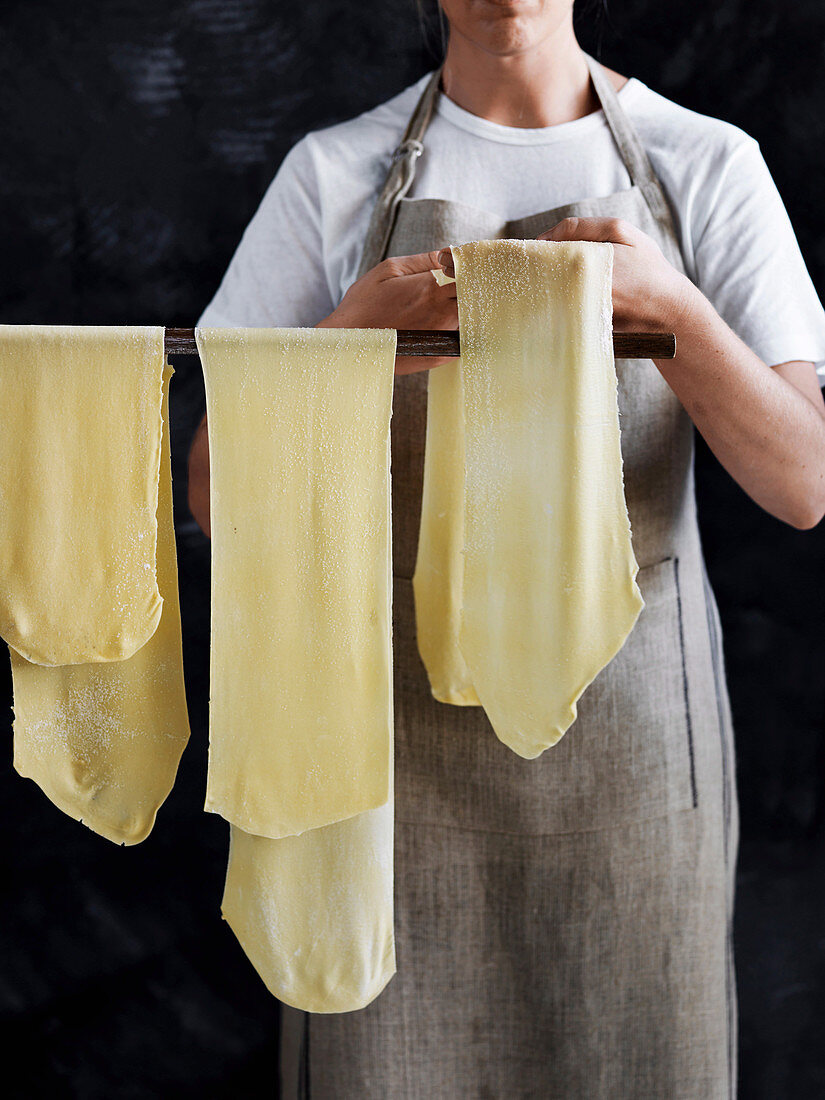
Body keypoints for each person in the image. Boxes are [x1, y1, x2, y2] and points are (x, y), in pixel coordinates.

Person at [188, 2, 825, 1096]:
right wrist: (348, 345)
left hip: (634, 757)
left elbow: (804, 482)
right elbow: (210, 494)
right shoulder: (334, 174)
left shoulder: (704, 164)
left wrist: (672, 308)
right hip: (385, 761)